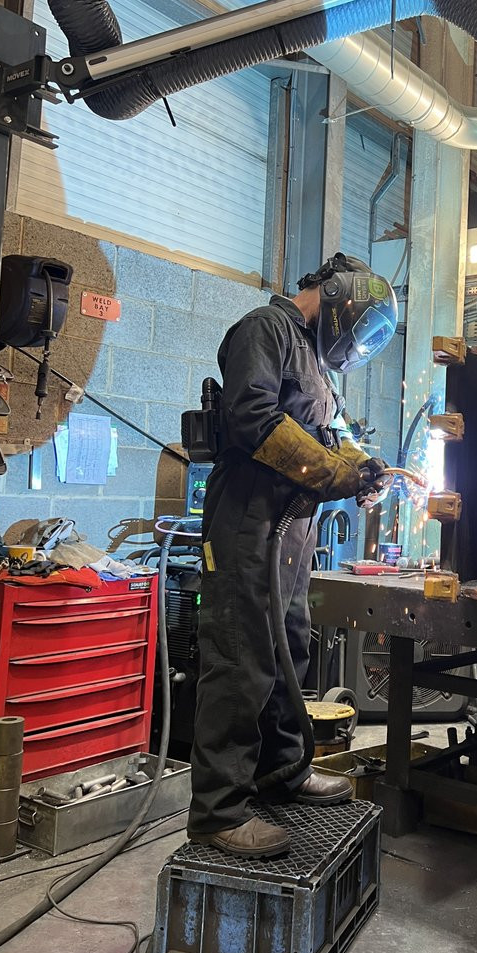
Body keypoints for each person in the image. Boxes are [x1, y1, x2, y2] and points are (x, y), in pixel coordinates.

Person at [187, 253, 398, 857]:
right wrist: (334, 473)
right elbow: (253, 418)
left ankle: (282, 772)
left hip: (291, 531)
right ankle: (218, 812)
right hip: (249, 522)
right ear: (338, 296)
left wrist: (363, 467)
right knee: (242, 658)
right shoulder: (266, 328)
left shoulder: (314, 360)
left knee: (288, 649)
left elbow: (331, 436)